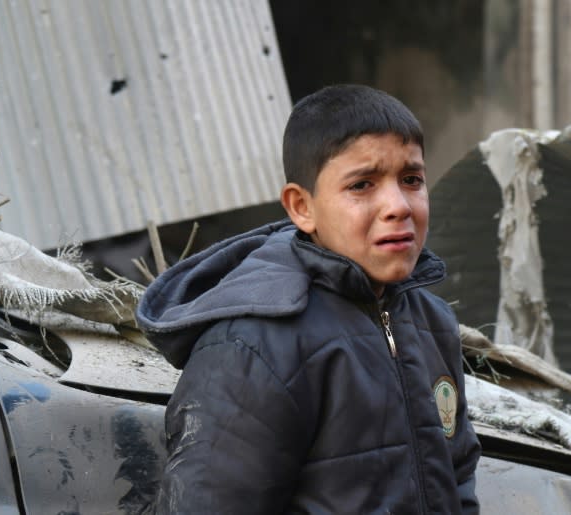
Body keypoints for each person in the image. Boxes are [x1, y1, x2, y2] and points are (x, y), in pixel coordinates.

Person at [136, 84, 481, 514]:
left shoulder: (432, 323)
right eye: (362, 185)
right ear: (302, 207)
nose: (398, 206)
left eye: (411, 180)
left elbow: (459, 479)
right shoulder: (256, 345)